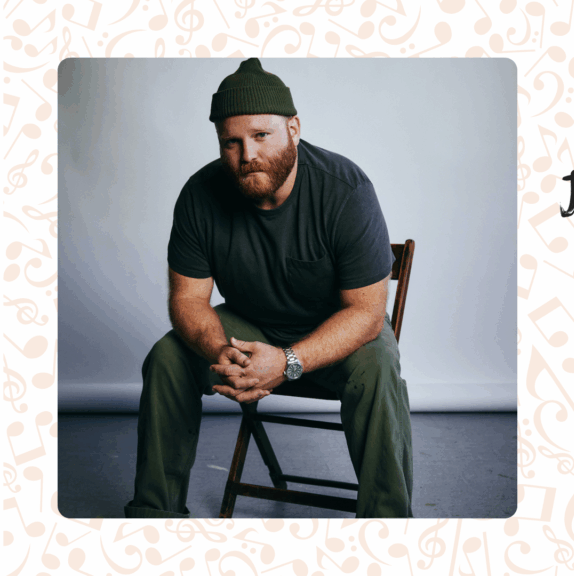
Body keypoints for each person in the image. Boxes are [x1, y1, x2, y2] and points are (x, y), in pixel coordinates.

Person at [124, 58, 413, 519]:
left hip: (336, 336)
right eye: (232, 142)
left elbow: (365, 312)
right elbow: (188, 300)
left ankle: (389, 524)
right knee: (168, 357)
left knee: (378, 365)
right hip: (248, 331)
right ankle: (153, 519)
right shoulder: (200, 195)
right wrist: (222, 351)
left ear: (293, 129)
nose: (247, 155)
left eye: (262, 136)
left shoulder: (346, 190)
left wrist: (288, 362)